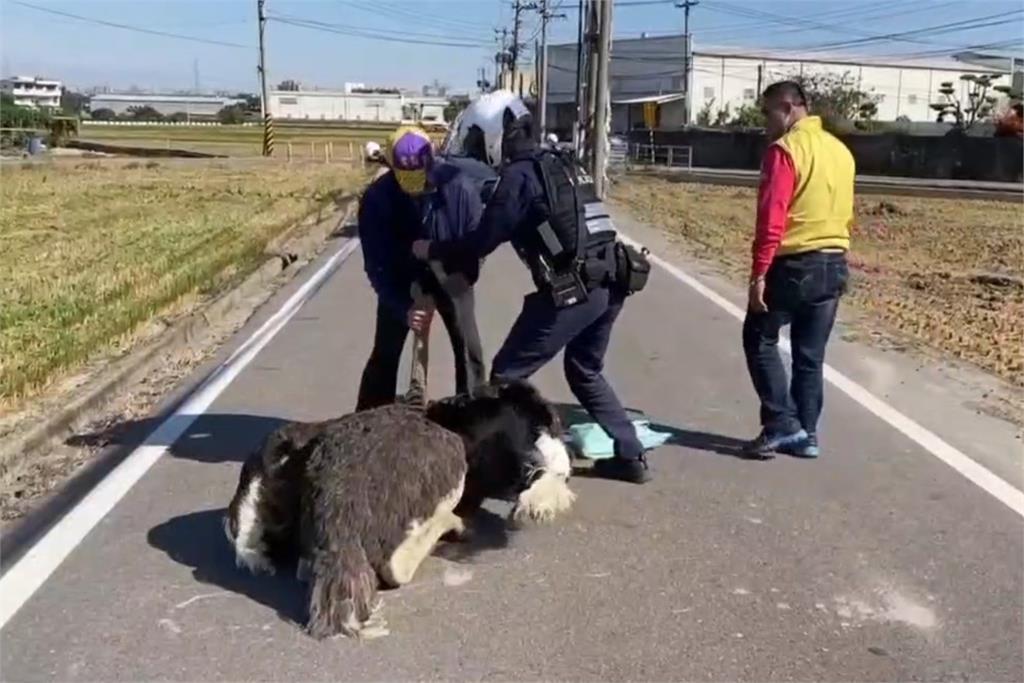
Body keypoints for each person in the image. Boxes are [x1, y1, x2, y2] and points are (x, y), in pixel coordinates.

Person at [412, 92, 652, 484]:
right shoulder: (559, 162)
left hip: (577, 288)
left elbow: (481, 241)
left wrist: (432, 248)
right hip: (614, 277)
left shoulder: (519, 176)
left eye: (476, 139)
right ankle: (630, 455)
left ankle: (524, 464)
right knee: (585, 369)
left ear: (493, 135)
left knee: (507, 375)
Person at [741, 81, 854, 459]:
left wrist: (759, 273)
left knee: (759, 337)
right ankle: (807, 434)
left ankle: (780, 424)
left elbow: (772, 218)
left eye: (768, 112)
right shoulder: (841, 151)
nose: (765, 122)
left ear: (788, 108)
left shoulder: (785, 150)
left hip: (795, 262)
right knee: (810, 355)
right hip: (834, 261)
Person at [355, 125, 486, 411]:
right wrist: (403, 306)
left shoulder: (461, 188)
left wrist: (461, 277)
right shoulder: (377, 199)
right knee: (386, 351)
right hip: (401, 276)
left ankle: (474, 418)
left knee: (468, 349)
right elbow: (377, 264)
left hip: (452, 272)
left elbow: (477, 245)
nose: (417, 189)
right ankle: (370, 421)